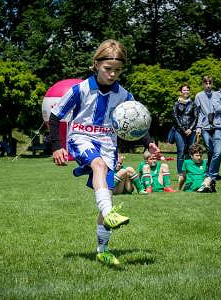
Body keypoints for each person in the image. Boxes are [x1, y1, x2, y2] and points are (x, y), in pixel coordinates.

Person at [49, 39, 160, 267]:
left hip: (108, 146)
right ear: (96, 64)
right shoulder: (80, 90)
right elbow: (54, 117)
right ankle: (110, 212)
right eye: (108, 69)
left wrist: (149, 142)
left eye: (117, 71)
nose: (112, 75)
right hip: (81, 137)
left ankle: (103, 250)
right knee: (97, 166)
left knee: (105, 199)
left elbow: (137, 120)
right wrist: (56, 146)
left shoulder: (124, 95)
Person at [194, 76, 221, 189]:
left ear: (212, 84)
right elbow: (198, 113)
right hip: (205, 126)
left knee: (217, 150)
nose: (208, 85)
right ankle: (209, 171)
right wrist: (198, 127)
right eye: (206, 83)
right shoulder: (198, 96)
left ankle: (211, 173)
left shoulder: (218, 94)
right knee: (209, 149)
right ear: (203, 84)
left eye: (210, 83)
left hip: (217, 125)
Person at [172, 84, 197, 183]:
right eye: (184, 90)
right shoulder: (176, 104)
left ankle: (190, 172)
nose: (186, 91)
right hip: (179, 131)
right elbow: (175, 118)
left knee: (191, 152)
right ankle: (180, 174)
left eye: (187, 90)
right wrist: (183, 129)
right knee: (181, 152)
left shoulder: (193, 103)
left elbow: (196, 117)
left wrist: (190, 129)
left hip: (191, 131)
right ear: (180, 92)